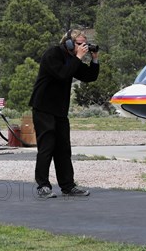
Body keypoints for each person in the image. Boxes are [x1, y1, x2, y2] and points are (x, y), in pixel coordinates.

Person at [29, 29, 99, 199]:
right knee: (47, 147)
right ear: (68, 43)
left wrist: (95, 59)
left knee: (63, 149)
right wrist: (78, 58)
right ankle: (43, 186)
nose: (83, 46)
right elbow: (62, 74)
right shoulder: (52, 54)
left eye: (85, 43)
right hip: (43, 107)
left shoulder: (72, 59)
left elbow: (89, 76)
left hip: (59, 109)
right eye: (79, 43)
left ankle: (68, 186)